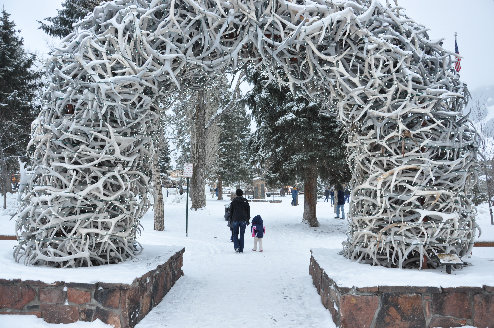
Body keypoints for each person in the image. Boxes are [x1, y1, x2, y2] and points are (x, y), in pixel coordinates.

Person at [228, 188, 250, 253]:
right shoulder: (245, 201)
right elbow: (248, 211)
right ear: (242, 194)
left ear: (236, 194)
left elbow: (231, 211)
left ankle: (236, 246)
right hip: (243, 219)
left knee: (235, 233)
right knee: (242, 234)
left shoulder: (234, 201)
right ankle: (241, 248)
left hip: (235, 219)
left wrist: (231, 219)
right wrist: (247, 219)